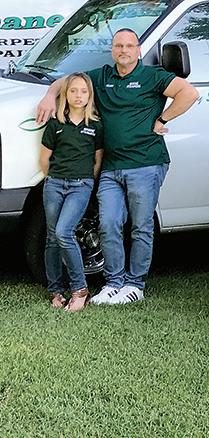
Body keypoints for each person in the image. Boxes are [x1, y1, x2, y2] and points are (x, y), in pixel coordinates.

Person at [36, 28, 199, 305]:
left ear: (138, 50)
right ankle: (114, 283)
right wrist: (50, 95)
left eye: (129, 46)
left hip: (146, 162)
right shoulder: (102, 77)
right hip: (111, 166)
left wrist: (163, 119)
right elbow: (67, 82)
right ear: (113, 50)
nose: (124, 50)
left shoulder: (153, 76)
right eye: (118, 46)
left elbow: (189, 93)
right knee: (109, 223)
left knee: (141, 226)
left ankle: (135, 284)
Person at [40, 72, 104, 312]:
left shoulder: (95, 125)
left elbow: (97, 161)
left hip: (80, 186)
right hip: (55, 184)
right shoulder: (56, 123)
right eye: (73, 91)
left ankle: (80, 289)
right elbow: (44, 159)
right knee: (51, 237)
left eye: (83, 91)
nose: (79, 96)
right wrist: (53, 179)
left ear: (89, 95)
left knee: (64, 232)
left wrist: (86, 182)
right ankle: (55, 290)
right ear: (65, 94)